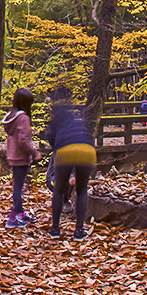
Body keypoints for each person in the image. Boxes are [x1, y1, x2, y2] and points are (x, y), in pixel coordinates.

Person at [42, 89, 98, 240]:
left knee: (58, 191)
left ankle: (55, 229)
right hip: (87, 149)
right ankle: (79, 231)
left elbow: (51, 141)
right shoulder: (78, 118)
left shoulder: (55, 120)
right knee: (81, 191)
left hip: (65, 149)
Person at [2, 89, 41, 229]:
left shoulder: (11, 116)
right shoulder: (23, 118)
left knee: (18, 185)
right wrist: (34, 152)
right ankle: (13, 217)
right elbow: (23, 140)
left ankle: (20, 212)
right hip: (21, 157)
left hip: (13, 155)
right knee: (19, 187)